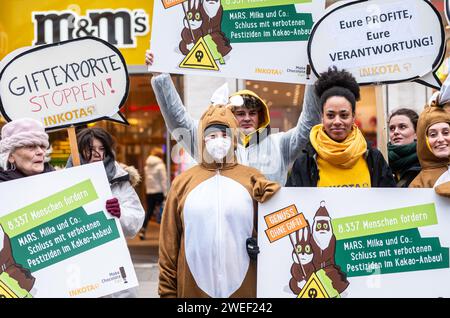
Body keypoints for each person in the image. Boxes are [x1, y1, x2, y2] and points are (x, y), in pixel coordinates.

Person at [145, 50, 322, 185]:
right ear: (230, 116)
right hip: (230, 230)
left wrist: (312, 78)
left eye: (252, 113)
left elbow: (308, 126)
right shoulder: (211, 143)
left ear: (261, 116)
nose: (246, 118)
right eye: (240, 113)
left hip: (268, 229)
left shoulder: (280, 144)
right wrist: (161, 77)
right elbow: (178, 120)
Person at [159, 104, 280, 298]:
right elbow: (168, 245)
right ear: (202, 139)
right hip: (193, 292)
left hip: (244, 292)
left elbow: (273, 232)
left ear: (233, 138)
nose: (219, 141)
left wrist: (276, 201)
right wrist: (167, 293)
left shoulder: (252, 179)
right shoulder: (183, 183)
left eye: (224, 135)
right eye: (212, 135)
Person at [66, 127, 145, 298]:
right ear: (79, 151)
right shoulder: (62, 181)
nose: (97, 154)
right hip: (76, 267)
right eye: (90, 149)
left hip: (113, 264)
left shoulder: (120, 178)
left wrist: (120, 214)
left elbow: (135, 223)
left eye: (101, 149)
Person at [286, 67, 396, 188]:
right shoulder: (305, 163)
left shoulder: (373, 158)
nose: (337, 121)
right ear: (322, 117)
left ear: (353, 117)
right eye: (330, 115)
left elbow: (390, 202)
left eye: (344, 115)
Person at [0, 118, 55, 295]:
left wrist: (104, 206)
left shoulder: (61, 182)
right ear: (10, 155)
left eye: (41, 146)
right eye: (30, 147)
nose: (39, 152)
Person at [409, 88, 450, 193]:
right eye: (433, 134)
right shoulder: (418, 185)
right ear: (424, 140)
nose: (440, 139)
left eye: (446, 133)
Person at [387, 108, 421, 187]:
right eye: (392, 128)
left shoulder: (426, 162)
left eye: (402, 127)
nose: (395, 132)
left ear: (416, 133)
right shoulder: (382, 162)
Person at [140, 147, 167, 240]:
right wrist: (166, 193)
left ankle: (143, 230)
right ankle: (166, 233)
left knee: (149, 212)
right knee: (164, 212)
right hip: (159, 192)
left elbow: (147, 180)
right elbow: (164, 180)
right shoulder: (161, 165)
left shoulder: (146, 166)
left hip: (150, 192)